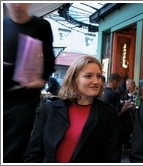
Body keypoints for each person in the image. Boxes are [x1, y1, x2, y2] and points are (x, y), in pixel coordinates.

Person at [24, 55, 122, 163]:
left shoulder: (108, 113)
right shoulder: (51, 109)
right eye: (88, 76)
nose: (96, 81)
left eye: (98, 76)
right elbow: (34, 151)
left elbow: (112, 157)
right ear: (74, 79)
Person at [3, 3, 55, 163]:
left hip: (24, 97)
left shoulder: (41, 26)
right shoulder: (3, 26)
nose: (18, 4)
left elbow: (49, 60)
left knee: (14, 148)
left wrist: (41, 80)